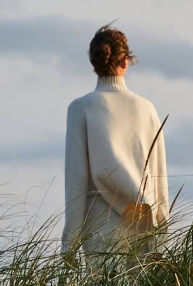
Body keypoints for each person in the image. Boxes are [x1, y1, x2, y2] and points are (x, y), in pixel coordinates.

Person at [61, 25, 169, 271]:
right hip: (144, 224)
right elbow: (158, 177)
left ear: (94, 61)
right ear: (125, 61)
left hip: (100, 228)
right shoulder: (147, 108)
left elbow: (75, 182)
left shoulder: (80, 108)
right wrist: (162, 235)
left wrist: (70, 244)